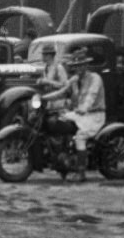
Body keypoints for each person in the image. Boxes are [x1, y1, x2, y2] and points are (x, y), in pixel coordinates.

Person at [41, 48, 105, 183]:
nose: (78, 69)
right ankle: (63, 156)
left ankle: (81, 172)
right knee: (57, 120)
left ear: (86, 65)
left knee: (80, 137)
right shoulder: (74, 80)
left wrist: (84, 108)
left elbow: (91, 95)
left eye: (81, 65)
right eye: (76, 66)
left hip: (94, 114)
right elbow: (62, 92)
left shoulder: (95, 78)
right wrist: (43, 98)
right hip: (79, 114)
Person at [37, 43, 69, 112]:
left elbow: (65, 86)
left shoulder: (59, 68)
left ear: (49, 55)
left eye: (44, 54)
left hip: (59, 103)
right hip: (49, 102)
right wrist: (40, 81)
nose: (42, 56)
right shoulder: (46, 68)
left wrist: (48, 82)